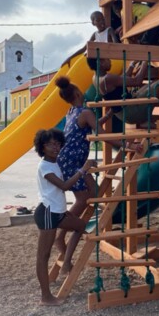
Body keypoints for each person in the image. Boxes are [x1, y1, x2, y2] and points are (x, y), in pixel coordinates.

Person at [33, 128, 96, 305]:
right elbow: (65, 186)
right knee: (43, 256)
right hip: (47, 212)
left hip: (58, 212)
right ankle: (46, 296)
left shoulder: (54, 162)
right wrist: (84, 170)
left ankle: (67, 261)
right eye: (50, 144)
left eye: (58, 143)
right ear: (42, 147)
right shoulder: (45, 166)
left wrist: (63, 210)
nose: (55, 147)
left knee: (81, 226)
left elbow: (57, 192)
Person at [54, 76, 108, 217]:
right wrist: (127, 144)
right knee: (82, 199)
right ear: (78, 93)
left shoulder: (72, 112)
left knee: (95, 192)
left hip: (69, 159)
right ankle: (61, 235)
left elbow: (91, 125)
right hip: (71, 162)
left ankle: (77, 227)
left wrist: (108, 116)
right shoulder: (85, 112)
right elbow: (103, 135)